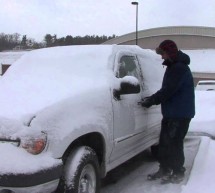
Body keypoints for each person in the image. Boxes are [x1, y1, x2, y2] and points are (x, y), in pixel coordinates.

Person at [140, 40, 195, 184]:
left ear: (170, 52)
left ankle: (177, 171)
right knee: (164, 143)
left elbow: (168, 90)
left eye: (163, 53)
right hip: (172, 112)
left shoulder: (178, 68)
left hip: (180, 113)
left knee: (174, 143)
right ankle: (164, 168)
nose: (162, 57)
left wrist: (151, 100)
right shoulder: (173, 66)